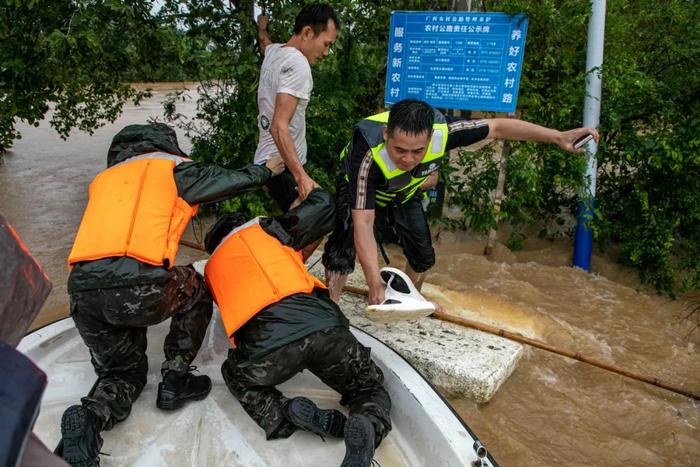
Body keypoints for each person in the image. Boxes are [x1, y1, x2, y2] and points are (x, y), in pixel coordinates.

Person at [59, 123, 284, 467]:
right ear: (166, 147)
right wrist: (266, 170)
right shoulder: (172, 169)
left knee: (122, 374)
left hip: (82, 293)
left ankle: (90, 420)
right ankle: (176, 378)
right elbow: (229, 180)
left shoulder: (102, 182)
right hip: (138, 285)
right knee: (196, 287)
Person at [322, 98, 600, 305]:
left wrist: (557, 136)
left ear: (430, 139)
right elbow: (364, 222)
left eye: (418, 151)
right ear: (386, 135)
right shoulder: (367, 153)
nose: (407, 158)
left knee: (423, 255)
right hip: (359, 190)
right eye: (399, 150)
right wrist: (374, 286)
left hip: (406, 192)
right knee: (342, 246)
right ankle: (332, 304)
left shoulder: (445, 132)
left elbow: (499, 127)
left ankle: (413, 300)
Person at [203, 188, 391, 467]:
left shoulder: (211, 268)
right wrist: (304, 183)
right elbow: (325, 205)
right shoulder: (267, 229)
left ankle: (285, 413)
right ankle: (365, 422)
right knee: (369, 387)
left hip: (268, 346)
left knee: (236, 374)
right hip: (324, 326)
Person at [254, 3, 339, 212]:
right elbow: (278, 126)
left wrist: (261, 28)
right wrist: (301, 177)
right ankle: (262, 244)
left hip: (270, 160)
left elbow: (264, 44)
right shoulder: (298, 64)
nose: (327, 52)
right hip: (282, 165)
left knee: (298, 225)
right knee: (319, 214)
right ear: (308, 32)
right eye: (326, 44)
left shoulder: (275, 52)